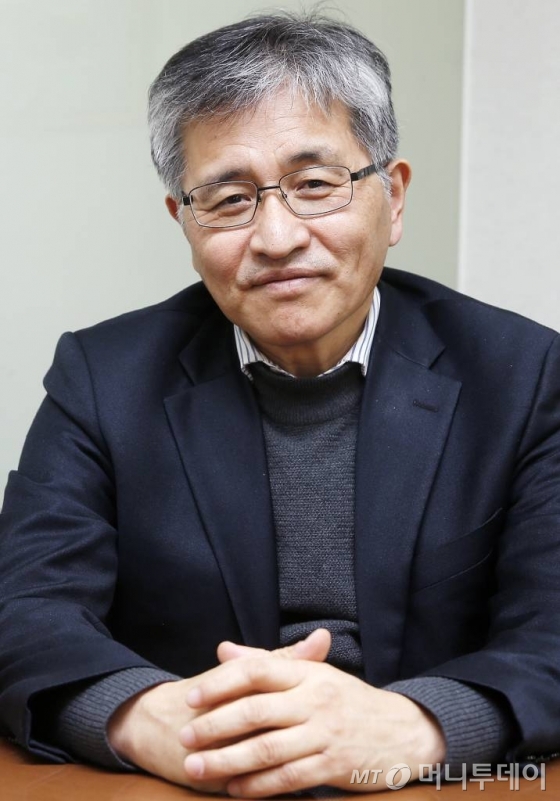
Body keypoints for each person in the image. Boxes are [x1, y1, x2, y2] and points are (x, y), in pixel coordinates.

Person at [1, 11, 560, 797]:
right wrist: (153, 717)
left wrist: (416, 726)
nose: (275, 236)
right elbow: (24, 610)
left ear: (394, 197)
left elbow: (552, 632)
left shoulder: (523, 375)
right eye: (229, 198)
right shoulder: (102, 378)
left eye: (315, 185)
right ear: (184, 222)